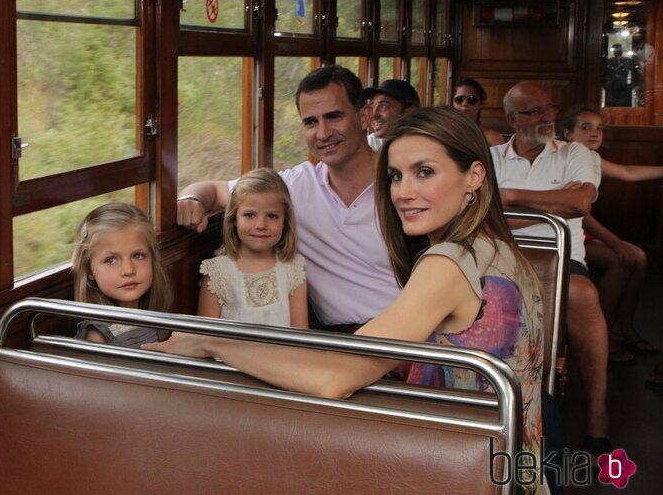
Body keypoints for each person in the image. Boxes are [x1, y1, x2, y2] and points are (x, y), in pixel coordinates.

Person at [149, 107, 547, 493]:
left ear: (474, 175)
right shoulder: (500, 251)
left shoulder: (448, 263)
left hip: (467, 472)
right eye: (395, 176)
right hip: (512, 466)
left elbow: (334, 379)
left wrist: (210, 341)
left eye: (424, 172)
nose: (403, 193)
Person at [176, 65, 400, 332]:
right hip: (344, 339)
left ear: (363, 117)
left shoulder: (401, 181)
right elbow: (212, 190)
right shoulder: (294, 187)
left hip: (410, 327)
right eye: (310, 122)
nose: (323, 133)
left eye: (334, 116)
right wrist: (190, 199)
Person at [491, 82, 610, 454]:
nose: (546, 118)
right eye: (533, 112)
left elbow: (580, 203)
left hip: (562, 257)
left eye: (549, 109)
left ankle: (597, 413)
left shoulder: (575, 153)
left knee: (582, 293)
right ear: (511, 118)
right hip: (498, 257)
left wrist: (509, 199)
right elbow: (481, 214)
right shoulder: (490, 156)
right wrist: (547, 206)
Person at [561, 105, 661, 358]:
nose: (595, 133)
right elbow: (579, 213)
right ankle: (596, 331)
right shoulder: (565, 157)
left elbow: (627, 173)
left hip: (584, 232)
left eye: (599, 128)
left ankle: (623, 325)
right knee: (622, 258)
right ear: (568, 134)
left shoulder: (592, 158)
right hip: (568, 231)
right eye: (586, 127)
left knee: (638, 258)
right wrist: (615, 242)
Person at [197, 168, 309, 327]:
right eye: (249, 215)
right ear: (234, 218)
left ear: (285, 221)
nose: (261, 225)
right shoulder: (218, 273)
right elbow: (204, 339)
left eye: (272, 216)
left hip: (283, 352)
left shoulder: (293, 268)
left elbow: (301, 335)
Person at [71, 202, 174, 347]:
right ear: (89, 270)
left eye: (138, 256)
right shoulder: (98, 334)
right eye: (111, 260)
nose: (128, 270)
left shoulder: (154, 318)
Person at [363, 78, 420, 151]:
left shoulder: (426, 148)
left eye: (383, 106)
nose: (374, 115)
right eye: (372, 106)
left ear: (409, 111)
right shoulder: (368, 146)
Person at [452, 77, 504, 146]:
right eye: (459, 99)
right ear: (453, 102)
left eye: (471, 99)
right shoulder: (443, 133)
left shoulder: (491, 138)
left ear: (481, 104)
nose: (464, 104)